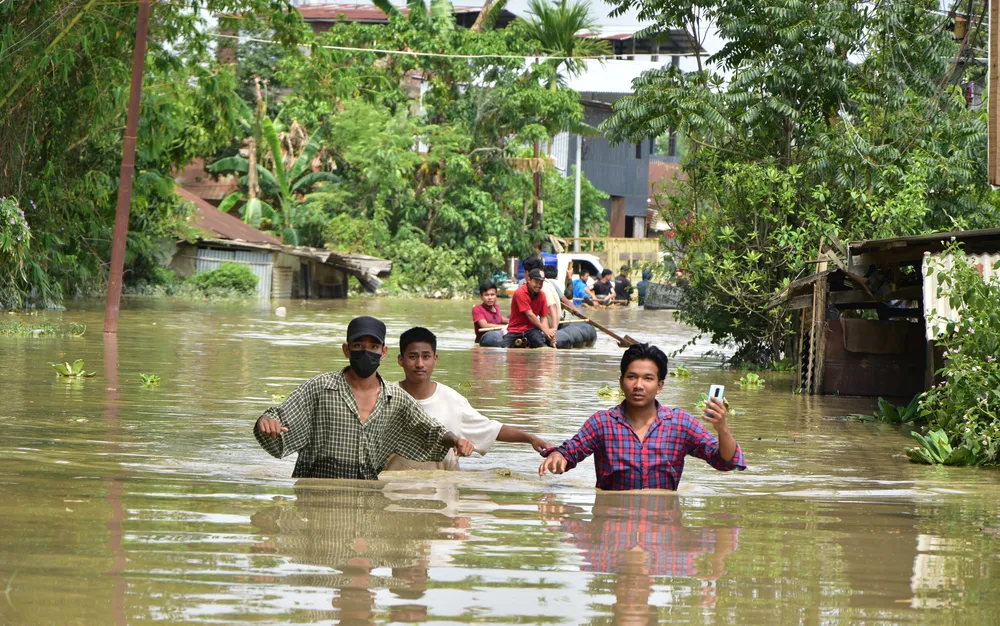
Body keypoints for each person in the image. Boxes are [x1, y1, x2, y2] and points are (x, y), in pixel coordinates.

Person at [254, 315, 475, 478]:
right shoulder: (320, 388)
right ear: (346, 350)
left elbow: (430, 431)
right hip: (317, 494)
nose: (366, 352)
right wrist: (267, 421)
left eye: (373, 346)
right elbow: (278, 416)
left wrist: (455, 440)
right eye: (358, 345)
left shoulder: (396, 399)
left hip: (367, 496)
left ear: (384, 352)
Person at [538, 343, 746, 490]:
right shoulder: (602, 423)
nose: (638, 385)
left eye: (648, 378)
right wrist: (559, 456)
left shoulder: (680, 424)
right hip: (613, 524)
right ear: (621, 382)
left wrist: (722, 428)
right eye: (632, 377)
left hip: (663, 529)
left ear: (660, 386)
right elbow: (571, 451)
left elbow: (726, 462)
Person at [384, 327, 550, 471]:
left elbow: (491, 429)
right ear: (400, 360)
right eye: (413, 357)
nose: (420, 364)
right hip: (393, 492)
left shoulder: (453, 401)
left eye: (426, 356)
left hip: (441, 496)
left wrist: (530, 438)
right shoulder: (385, 397)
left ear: (435, 359)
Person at [503, 268, 554, 348]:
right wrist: (545, 329)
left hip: (531, 330)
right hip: (515, 330)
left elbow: (544, 317)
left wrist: (548, 334)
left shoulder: (542, 295)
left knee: (541, 344)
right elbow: (530, 315)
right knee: (504, 348)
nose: (538, 285)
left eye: (541, 283)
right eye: (536, 282)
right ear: (529, 280)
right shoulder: (520, 293)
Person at [472, 280, 507, 345]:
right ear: (481, 297)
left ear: (496, 295)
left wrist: (512, 322)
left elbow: (499, 318)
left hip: (498, 338)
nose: (490, 298)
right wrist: (504, 327)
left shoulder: (496, 307)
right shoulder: (477, 309)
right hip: (485, 341)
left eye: (492, 295)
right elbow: (484, 325)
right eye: (486, 295)